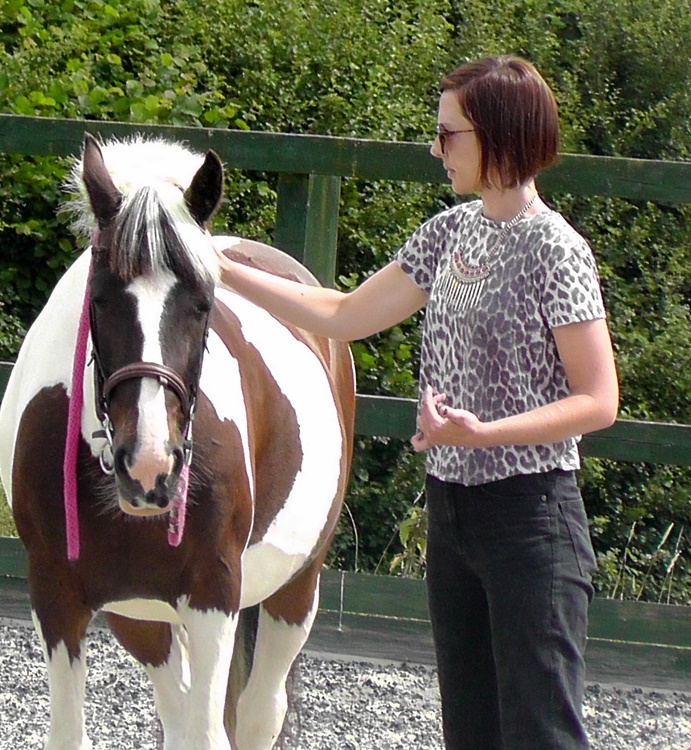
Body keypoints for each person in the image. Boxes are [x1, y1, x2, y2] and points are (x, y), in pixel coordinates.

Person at [214, 54, 618, 750]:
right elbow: (342, 313)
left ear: (499, 135)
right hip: (451, 513)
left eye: (448, 134)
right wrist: (222, 270)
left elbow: (599, 398)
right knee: (469, 733)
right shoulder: (449, 233)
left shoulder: (557, 250)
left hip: (531, 518)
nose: (436, 149)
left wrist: (487, 433)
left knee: (542, 733)